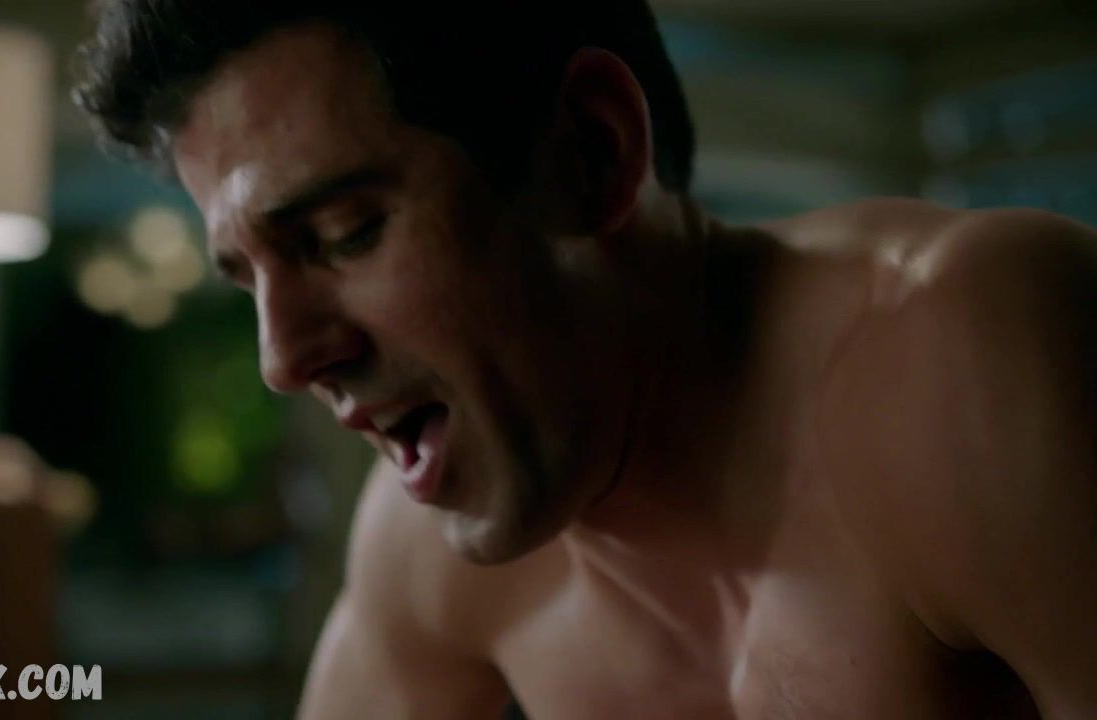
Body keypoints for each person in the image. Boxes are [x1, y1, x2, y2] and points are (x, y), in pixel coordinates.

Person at [74, 2, 1097, 717]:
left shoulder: (966, 351)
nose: (284, 359)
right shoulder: (423, 550)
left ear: (590, 153)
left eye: (345, 235)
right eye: (246, 281)